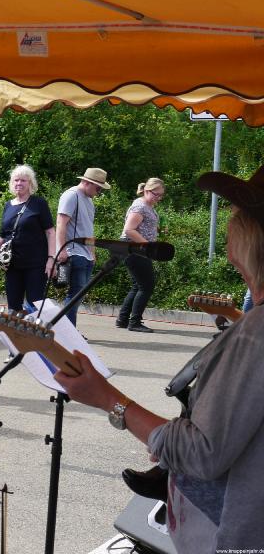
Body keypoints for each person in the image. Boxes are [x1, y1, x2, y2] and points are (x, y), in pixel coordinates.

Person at [56, 167, 264, 553]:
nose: (229, 225)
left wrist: (107, 398)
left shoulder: (255, 334)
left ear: (250, 237)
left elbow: (201, 453)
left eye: (236, 215)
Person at [0, 165, 55, 312]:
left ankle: (36, 333)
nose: (19, 183)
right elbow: (2, 234)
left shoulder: (39, 203)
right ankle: (16, 334)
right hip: (12, 264)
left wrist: (51, 258)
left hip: (36, 264)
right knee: (13, 305)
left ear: (30, 184)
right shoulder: (8, 205)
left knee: (36, 304)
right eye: (16, 180)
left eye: (23, 180)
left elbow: (50, 232)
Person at [56, 168, 110, 327]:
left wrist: (92, 253)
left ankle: (67, 330)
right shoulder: (71, 195)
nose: (99, 192)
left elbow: (88, 228)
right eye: (98, 188)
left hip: (86, 254)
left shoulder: (89, 200)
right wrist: (61, 249)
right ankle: (67, 331)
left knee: (79, 295)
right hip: (73, 251)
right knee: (75, 295)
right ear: (87, 182)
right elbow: (61, 223)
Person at [115, 177, 166, 333]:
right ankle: (134, 322)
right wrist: (147, 245)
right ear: (146, 190)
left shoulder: (148, 206)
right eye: (155, 194)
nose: (158, 198)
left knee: (138, 285)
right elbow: (129, 230)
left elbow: (142, 226)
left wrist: (155, 231)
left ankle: (123, 319)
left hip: (136, 249)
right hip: (135, 249)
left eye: (161, 195)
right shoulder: (140, 206)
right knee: (147, 286)